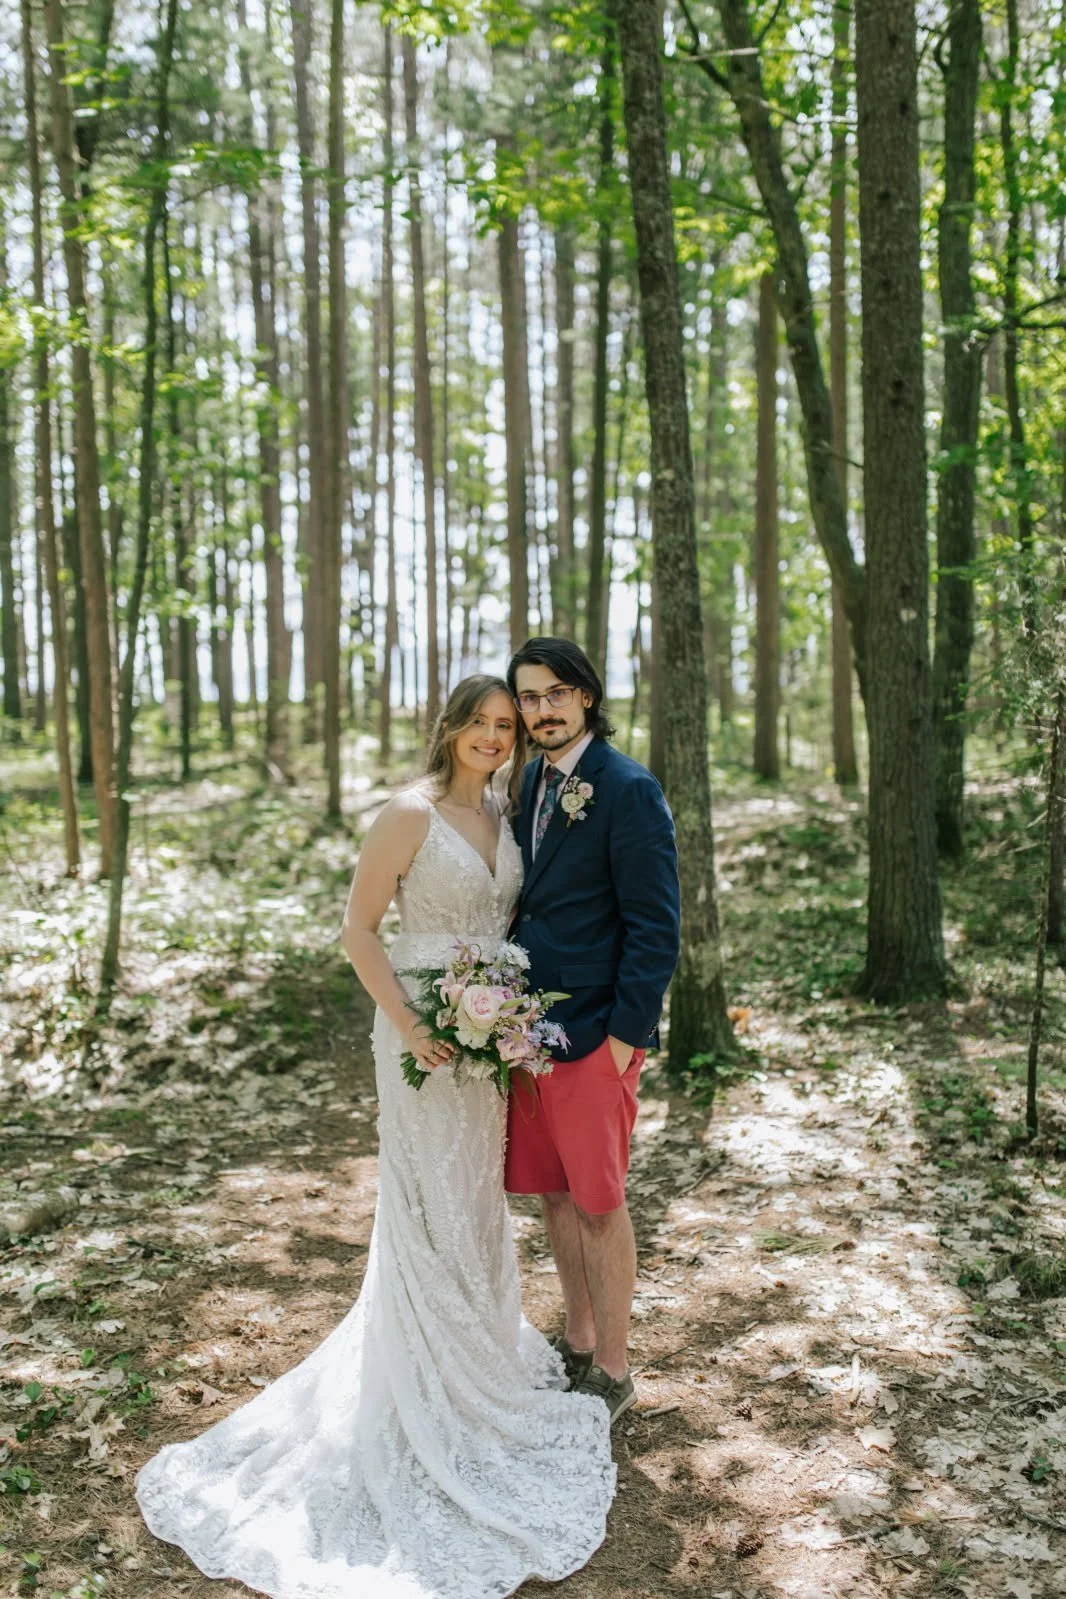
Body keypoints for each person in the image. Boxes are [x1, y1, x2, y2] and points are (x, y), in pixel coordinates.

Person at [135, 674, 615, 1599]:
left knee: (475, 1197)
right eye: (479, 722)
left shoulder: (509, 814)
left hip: (486, 1036)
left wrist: (500, 1012)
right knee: (426, 1196)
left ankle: (475, 1358)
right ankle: (418, 1380)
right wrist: (411, 1022)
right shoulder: (408, 814)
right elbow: (358, 930)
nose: (492, 735)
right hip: (419, 1033)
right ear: (449, 728)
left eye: (505, 726)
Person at [505, 637, 681, 1425]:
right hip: (525, 1033)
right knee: (552, 1195)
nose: (539, 709)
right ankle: (577, 1336)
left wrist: (623, 1040)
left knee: (600, 1202)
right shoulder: (528, 783)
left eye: (553, 693)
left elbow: (656, 925)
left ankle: (614, 1366)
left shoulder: (626, 787)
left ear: (584, 695)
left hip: (596, 1032)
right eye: (528, 696)